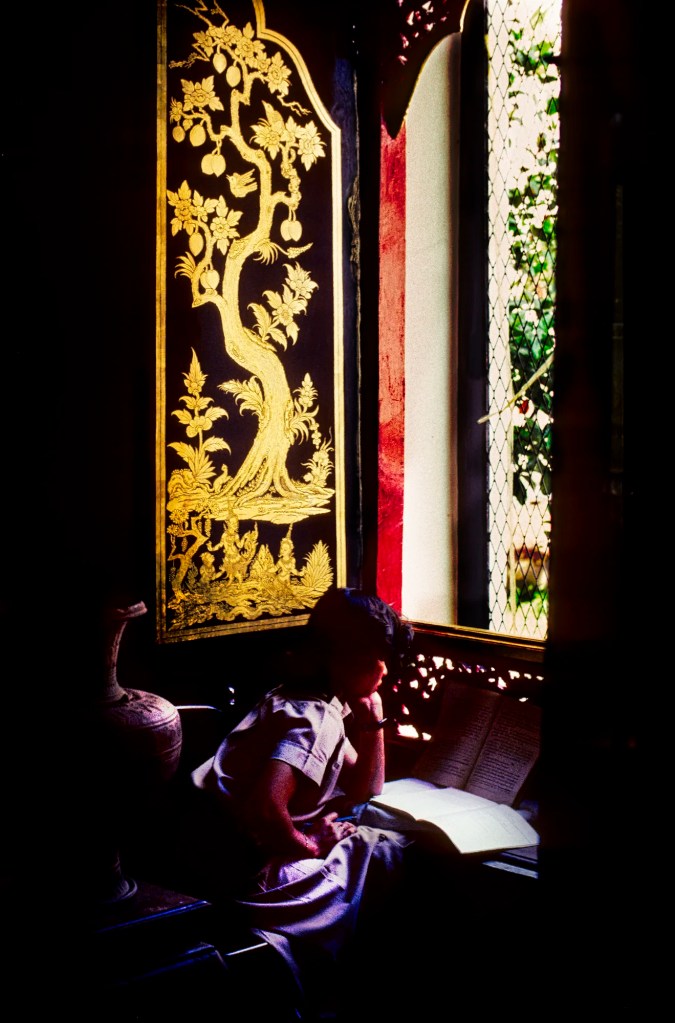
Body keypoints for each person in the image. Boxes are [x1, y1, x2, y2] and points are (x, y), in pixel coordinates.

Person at [192, 586, 450, 1020]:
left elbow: (366, 786)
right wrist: (313, 843)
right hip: (241, 866)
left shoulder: (310, 699)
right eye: (374, 660)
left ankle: (317, 964)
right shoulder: (311, 719)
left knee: (370, 838)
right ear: (340, 660)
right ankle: (325, 982)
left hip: (226, 854)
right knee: (379, 850)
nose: (384, 670)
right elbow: (265, 809)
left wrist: (373, 724)